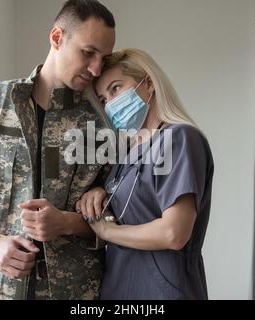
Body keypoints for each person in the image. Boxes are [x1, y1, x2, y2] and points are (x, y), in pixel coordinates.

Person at [0, 0, 115, 300]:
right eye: (88, 52)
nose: (95, 69)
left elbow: (118, 217)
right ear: (57, 38)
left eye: (103, 59)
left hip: (73, 294)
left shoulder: (101, 126)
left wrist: (67, 222)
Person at [76, 48, 214, 300]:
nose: (109, 104)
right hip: (119, 289)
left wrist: (108, 233)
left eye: (116, 88)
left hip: (163, 291)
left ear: (148, 83)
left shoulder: (180, 139)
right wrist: (100, 192)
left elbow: (174, 233)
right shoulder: (127, 157)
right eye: (104, 99)